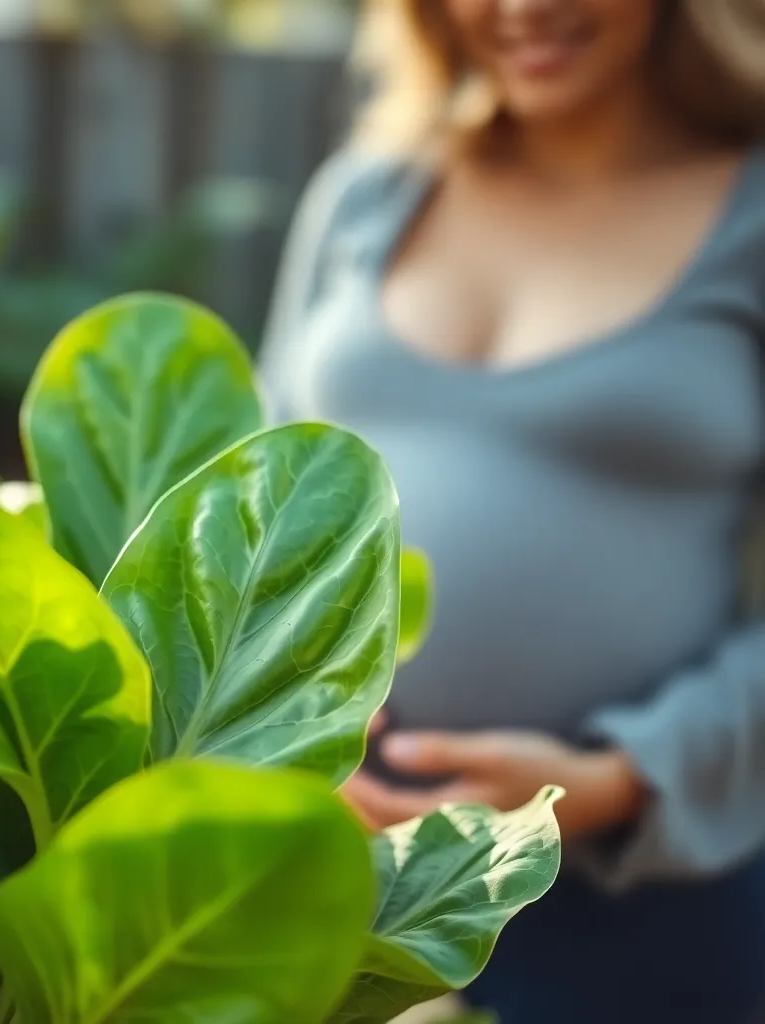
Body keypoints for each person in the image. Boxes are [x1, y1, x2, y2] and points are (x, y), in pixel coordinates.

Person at [259, 1, 765, 1021]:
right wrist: (282, 725)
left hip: (648, 900)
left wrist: (615, 780)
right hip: (337, 869)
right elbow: (246, 508)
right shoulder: (367, 194)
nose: (522, 7)